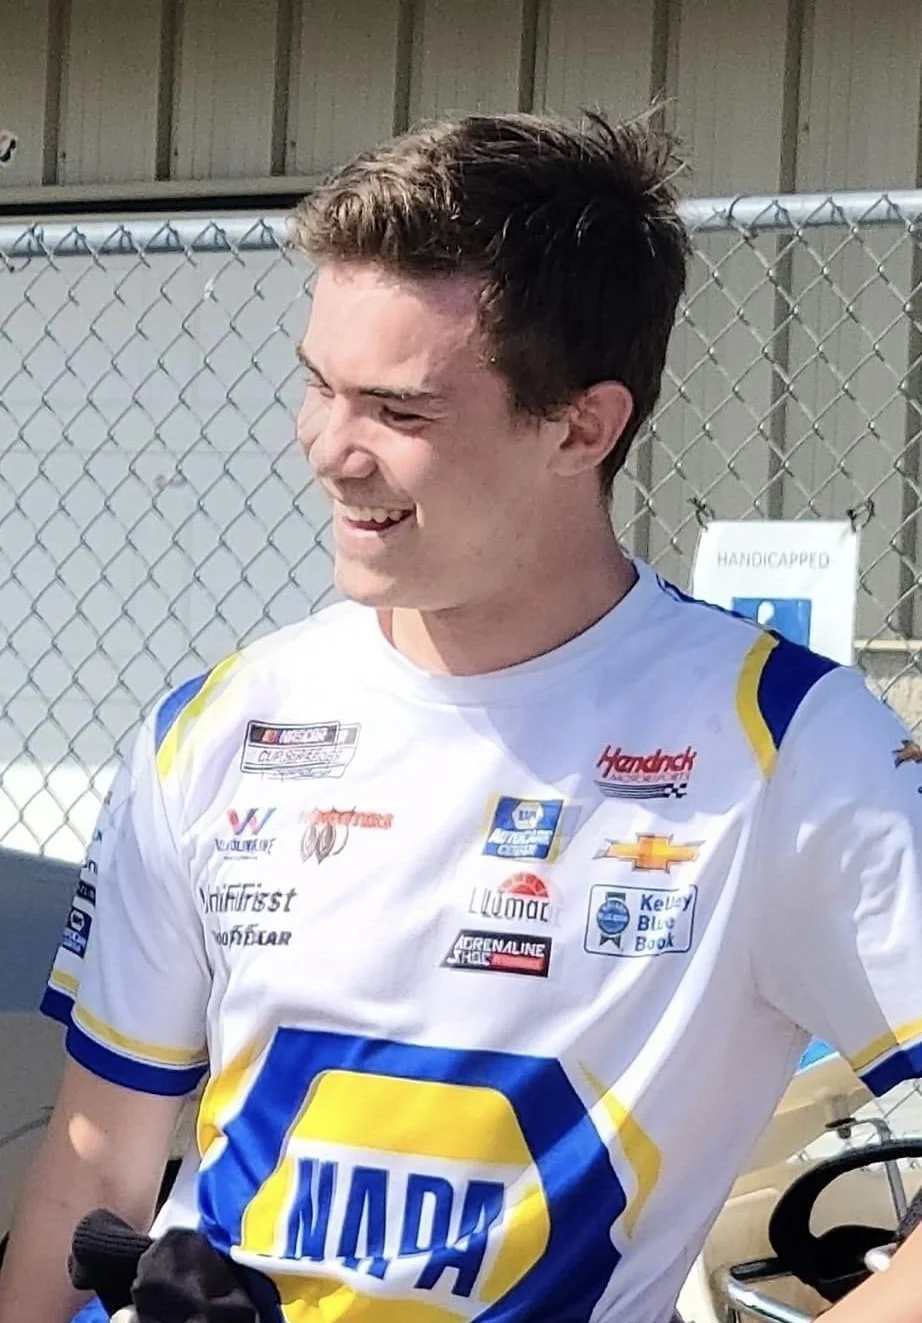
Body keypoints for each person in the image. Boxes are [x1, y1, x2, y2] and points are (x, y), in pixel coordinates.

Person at [2, 107, 922, 1323]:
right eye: (318, 386)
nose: (330, 450)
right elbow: (95, 1167)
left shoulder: (787, 746)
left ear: (582, 426)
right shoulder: (217, 724)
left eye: (401, 411)